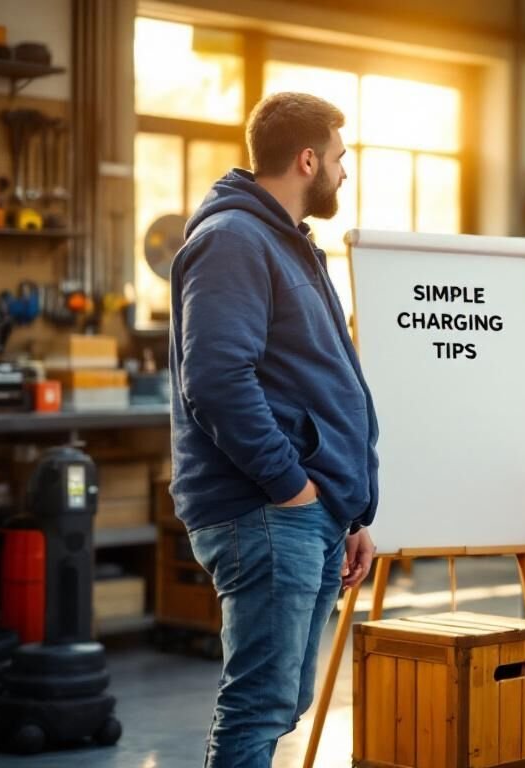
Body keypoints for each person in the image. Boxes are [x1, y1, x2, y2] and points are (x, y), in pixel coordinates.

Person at [169, 92, 379, 768]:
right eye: (340, 159)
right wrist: (293, 487)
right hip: (264, 508)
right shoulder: (234, 239)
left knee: (283, 700)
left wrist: (348, 510)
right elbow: (217, 382)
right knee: (259, 706)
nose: (345, 174)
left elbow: (310, 379)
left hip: (304, 510)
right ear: (308, 158)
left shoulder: (288, 243)